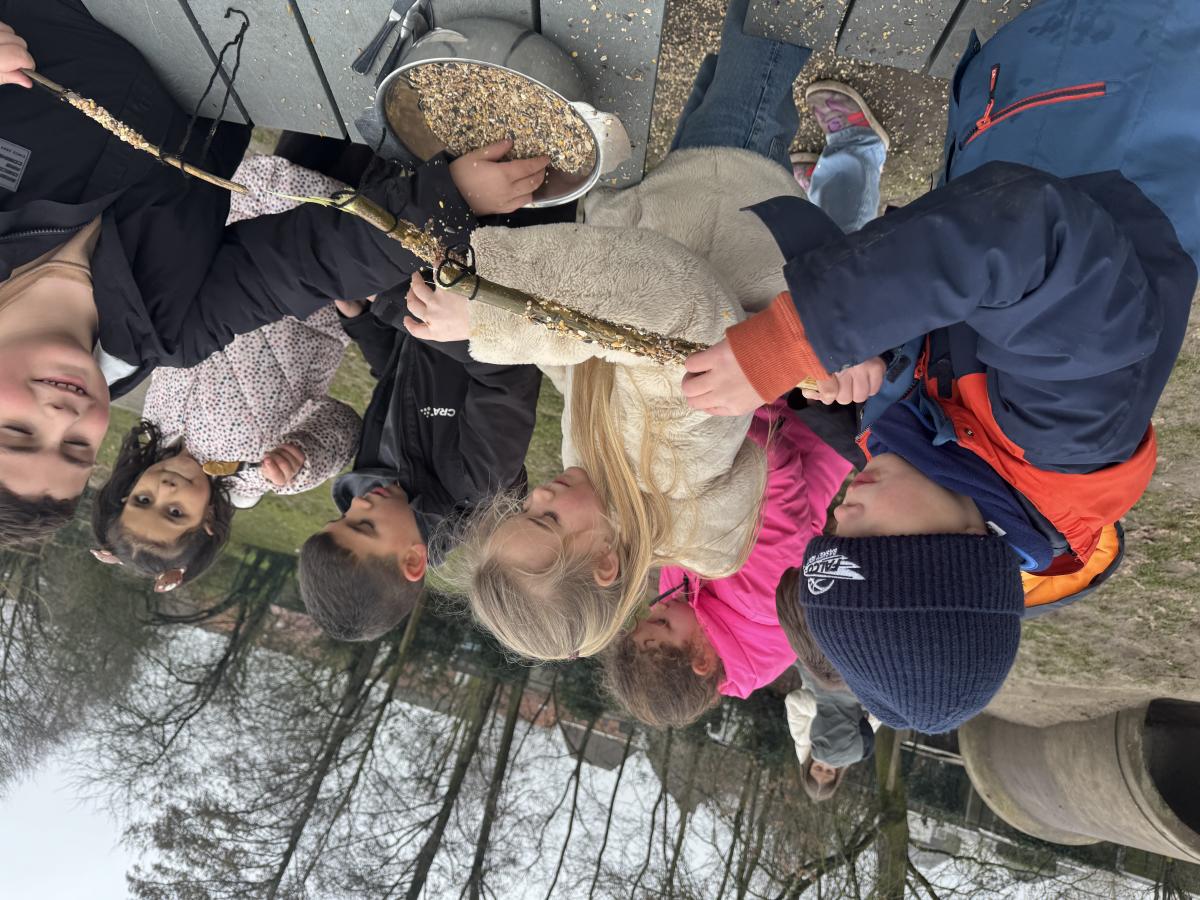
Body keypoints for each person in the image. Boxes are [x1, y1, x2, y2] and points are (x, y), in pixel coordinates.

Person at [680, 0, 1200, 733]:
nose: (841, 513)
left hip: (1035, 96)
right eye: (866, 544)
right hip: (1129, 71)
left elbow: (953, 316)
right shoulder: (1068, 438)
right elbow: (1030, 235)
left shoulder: (942, 455)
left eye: (830, 536)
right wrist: (804, 337)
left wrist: (876, 348)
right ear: (955, 557)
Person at [0, 0, 549, 545]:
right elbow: (300, 264)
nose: (62, 416)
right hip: (223, 36)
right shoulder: (164, 333)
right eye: (77, 447)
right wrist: (445, 200)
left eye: (18, 431)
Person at [414, 0, 820, 662]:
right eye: (546, 520)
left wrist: (485, 325)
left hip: (674, 198)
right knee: (764, 37)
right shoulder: (676, 462)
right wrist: (490, 311)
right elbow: (677, 302)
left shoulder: (598, 478)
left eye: (523, 508)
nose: (538, 493)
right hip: (727, 194)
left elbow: (586, 366)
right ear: (606, 561)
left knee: (724, 70)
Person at [90, 156, 362, 592]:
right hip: (319, 274)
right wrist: (303, 454)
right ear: (208, 521)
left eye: (143, 499)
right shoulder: (261, 471)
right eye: (174, 512)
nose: (165, 489)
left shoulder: (158, 425)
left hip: (251, 230)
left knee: (311, 143)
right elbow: (344, 425)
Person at [602, 400, 850, 728]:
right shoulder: (763, 599)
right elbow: (775, 466)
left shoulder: (680, 602)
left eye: (646, 617)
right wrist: (704, 424)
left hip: (751, 413)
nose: (656, 607)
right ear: (703, 659)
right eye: (662, 623)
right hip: (809, 412)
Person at [777, 567, 879, 802]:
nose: (825, 765)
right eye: (829, 771)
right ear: (838, 773)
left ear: (808, 766)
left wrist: (827, 712)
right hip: (855, 683)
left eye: (818, 769)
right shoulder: (851, 749)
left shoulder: (803, 739)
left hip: (816, 672)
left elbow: (794, 702)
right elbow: (875, 718)